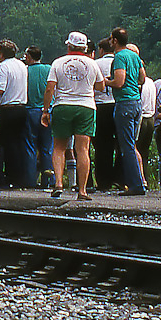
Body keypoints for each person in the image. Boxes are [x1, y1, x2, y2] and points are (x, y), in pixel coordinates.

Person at [42, 31, 105, 201]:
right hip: (86, 107)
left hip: (62, 106)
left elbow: (49, 88)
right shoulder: (92, 64)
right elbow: (101, 86)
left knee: (59, 147)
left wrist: (45, 110)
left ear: (69, 45)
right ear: (85, 48)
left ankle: (58, 184)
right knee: (83, 149)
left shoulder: (58, 62)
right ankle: (82, 190)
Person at [0, 39, 31, 188]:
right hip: (21, 108)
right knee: (18, 144)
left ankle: (2, 178)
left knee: (3, 144)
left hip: (7, 109)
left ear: (2, 53)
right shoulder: (21, 65)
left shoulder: (4, 67)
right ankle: (19, 178)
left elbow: (0, 89)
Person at [108, 33, 146, 196]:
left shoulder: (119, 57)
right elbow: (142, 79)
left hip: (124, 103)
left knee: (127, 146)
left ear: (115, 41)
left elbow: (119, 82)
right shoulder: (134, 56)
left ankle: (136, 184)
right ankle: (138, 181)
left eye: (111, 39)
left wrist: (105, 82)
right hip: (136, 102)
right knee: (131, 143)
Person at [25, 46, 53, 189]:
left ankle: (30, 180)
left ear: (29, 57)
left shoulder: (25, 71)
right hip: (47, 110)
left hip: (30, 110)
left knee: (30, 147)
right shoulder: (48, 69)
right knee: (47, 147)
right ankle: (49, 180)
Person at [92, 38, 118, 191]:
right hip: (116, 104)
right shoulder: (118, 62)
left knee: (101, 146)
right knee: (120, 144)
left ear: (101, 50)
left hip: (100, 106)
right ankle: (119, 178)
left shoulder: (96, 64)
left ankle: (103, 181)